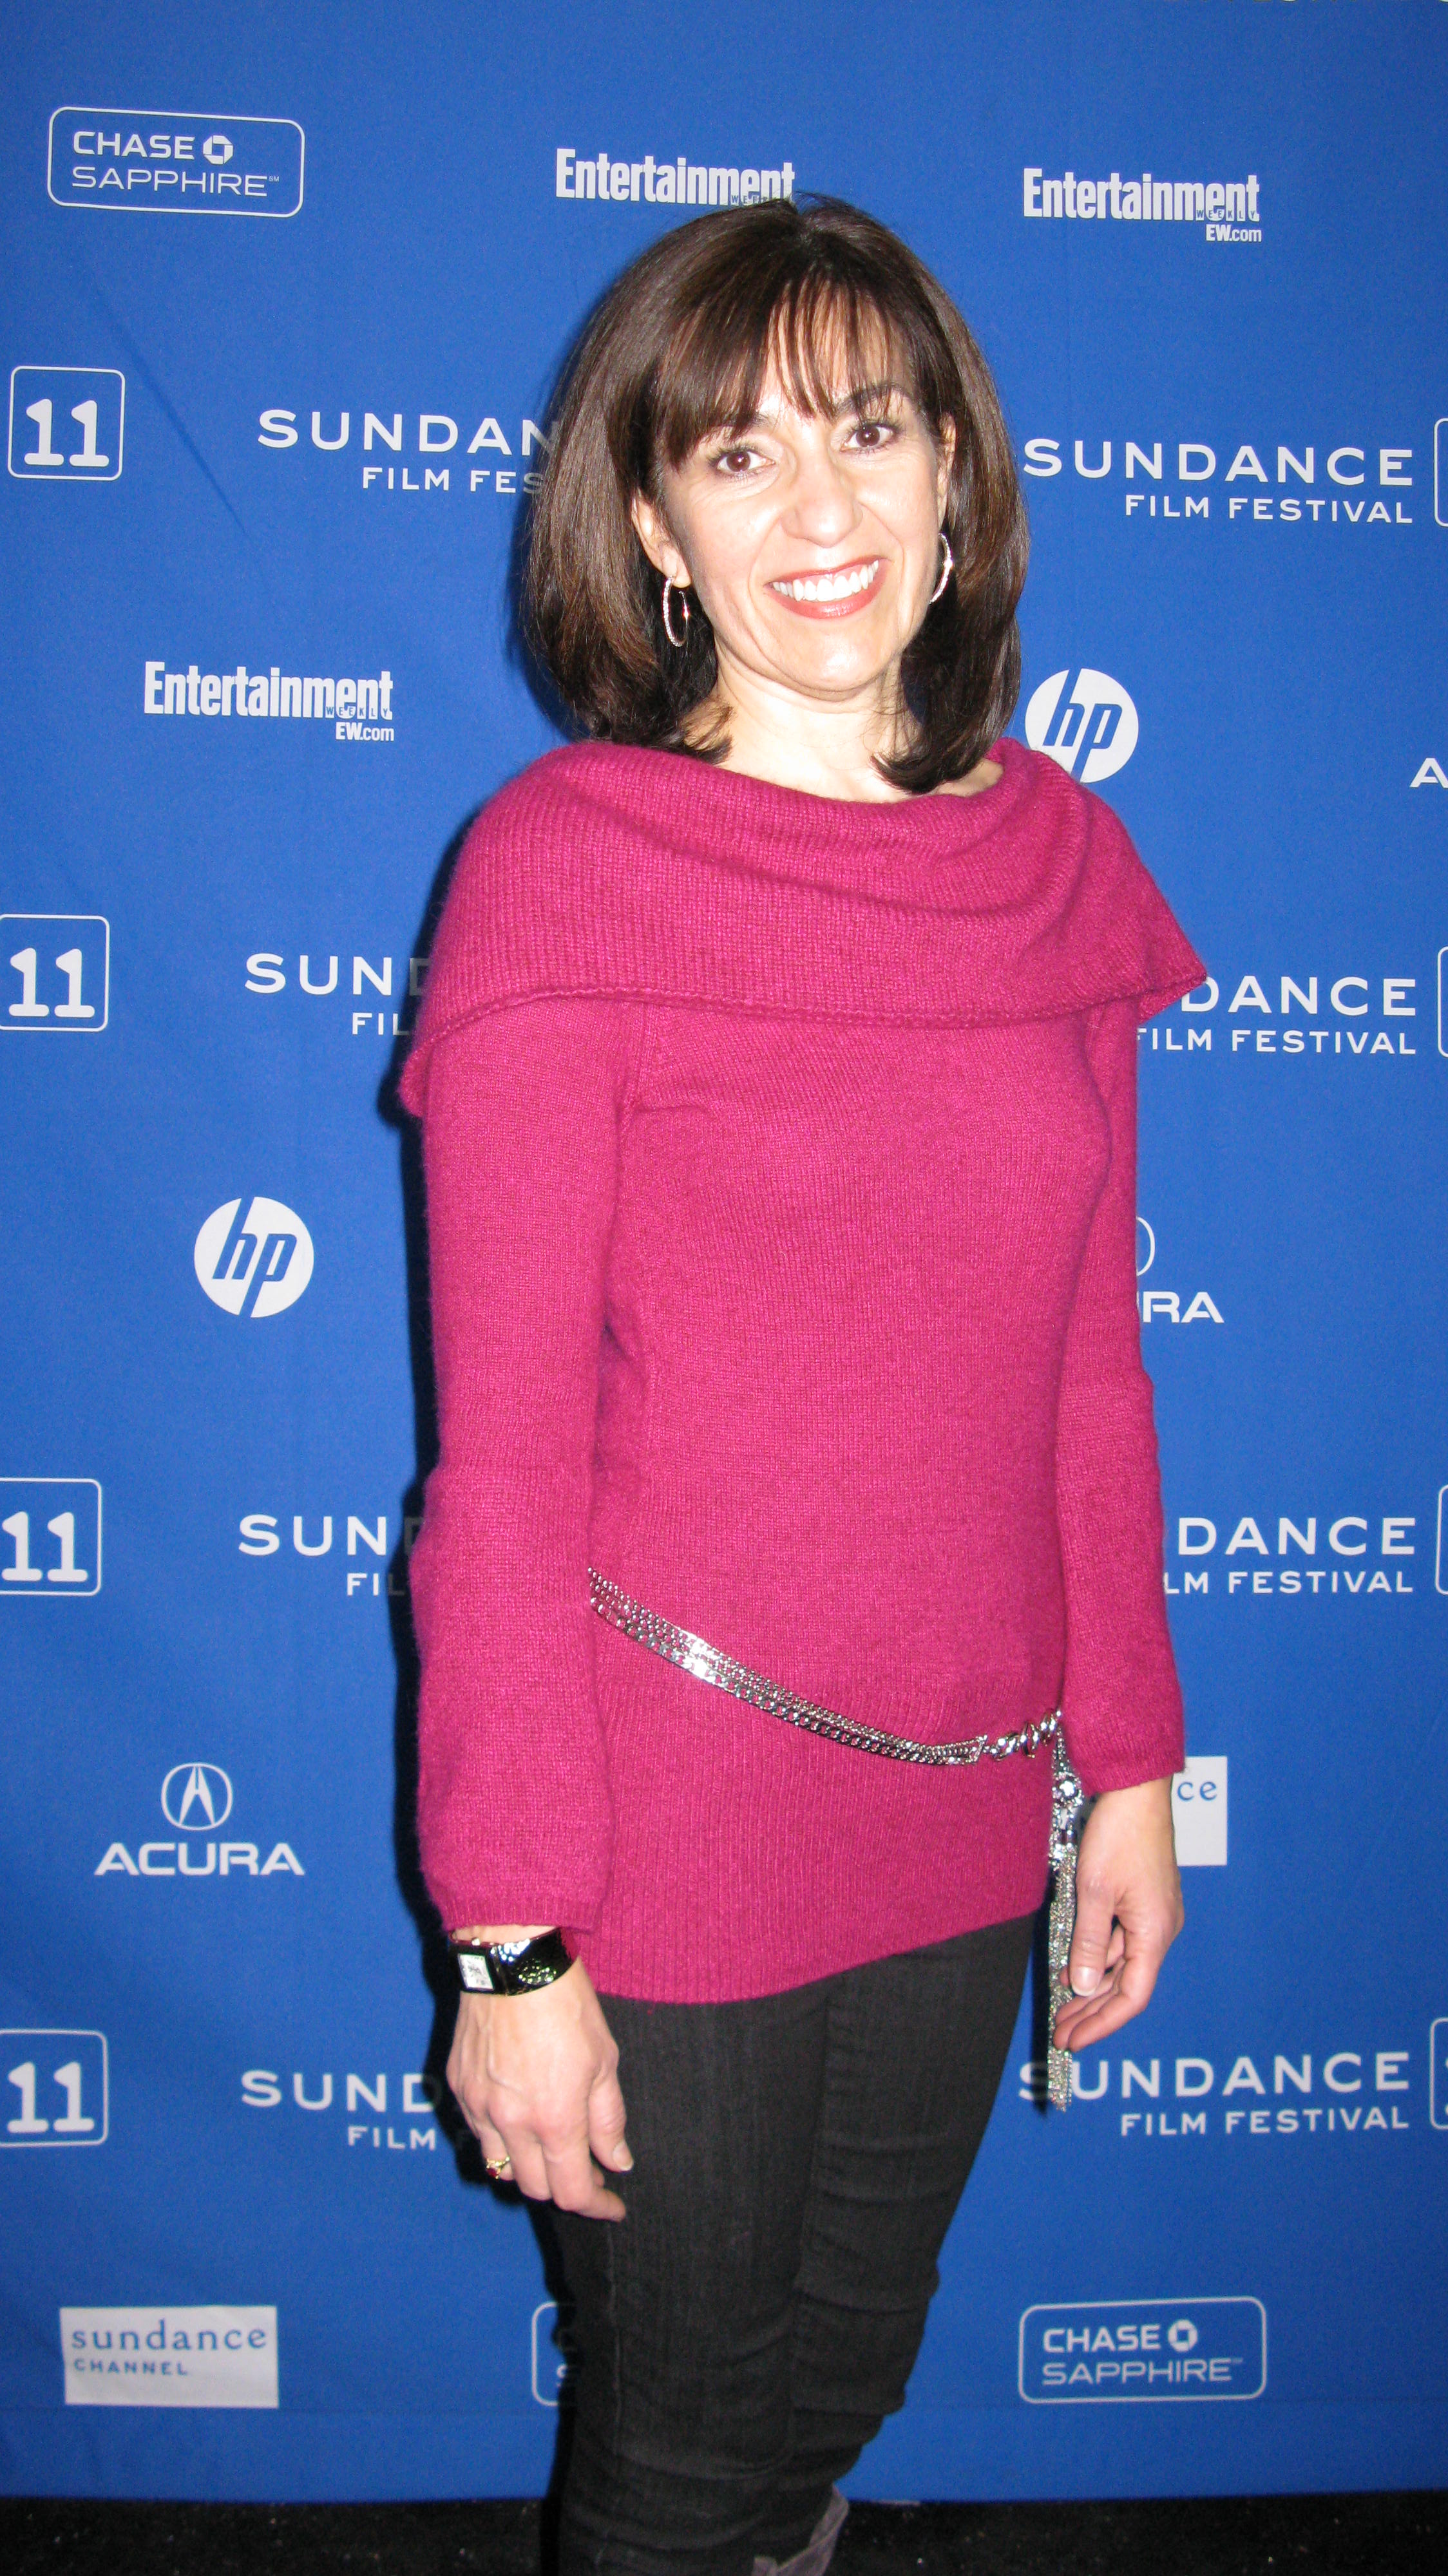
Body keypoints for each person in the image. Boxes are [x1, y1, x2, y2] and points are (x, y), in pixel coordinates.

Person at [398, 196, 1205, 2576]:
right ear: (649, 526)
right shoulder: (563, 869)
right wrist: (511, 1941)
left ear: (960, 476)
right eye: (737, 461)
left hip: (961, 1802)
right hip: (666, 1813)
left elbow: (1089, 1363)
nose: (823, 512)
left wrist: (1130, 1772)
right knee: (672, 2455)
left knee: (849, 2379)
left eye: (870, 431)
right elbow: (508, 1463)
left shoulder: (1062, 864)